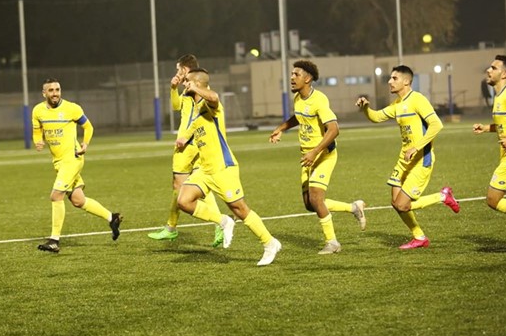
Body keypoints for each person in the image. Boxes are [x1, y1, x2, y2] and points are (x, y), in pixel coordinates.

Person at [175, 68, 281, 266]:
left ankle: (270, 243)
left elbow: (214, 97)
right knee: (183, 200)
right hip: (205, 170)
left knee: (240, 209)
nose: (184, 83)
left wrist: (195, 88)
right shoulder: (197, 111)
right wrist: (182, 139)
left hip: (222, 168)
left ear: (197, 84)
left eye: (187, 80)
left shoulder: (211, 105)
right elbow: (191, 132)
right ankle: (223, 221)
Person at [355, 65, 460, 250]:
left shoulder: (417, 99)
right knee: (396, 203)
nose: (390, 81)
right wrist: (366, 108)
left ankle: (443, 196)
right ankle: (419, 237)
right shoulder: (397, 104)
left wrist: (416, 147)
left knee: (402, 205)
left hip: (421, 160)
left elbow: (437, 125)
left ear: (406, 81)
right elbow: (377, 117)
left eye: (394, 78)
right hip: (404, 160)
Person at [269, 60, 366, 255]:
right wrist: (281, 128)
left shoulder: (319, 100)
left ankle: (332, 243)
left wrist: (314, 152)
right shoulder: (298, 98)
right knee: (309, 204)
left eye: (296, 74)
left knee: (315, 197)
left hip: (323, 155)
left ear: (308, 79)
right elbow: (299, 116)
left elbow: (334, 129)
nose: (291, 77)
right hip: (307, 157)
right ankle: (354, 208)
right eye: (292, 74)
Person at [32, 78, 122, 253]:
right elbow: (37, 131)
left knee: (56, 196)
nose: (55, 93)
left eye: (57, 89)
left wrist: (85, 144)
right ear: (44, 93)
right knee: (78, 200)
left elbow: (88, 127)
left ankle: (54, 240)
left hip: (73, 159)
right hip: (58, 162)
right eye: (51, 90)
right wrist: (38, 141)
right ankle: (112, 218)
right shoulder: (38, 111)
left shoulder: (72, 108)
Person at [148, 54, 224, 246]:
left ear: (185, 69)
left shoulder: (195, 90)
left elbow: (199, 117)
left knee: (180, 186)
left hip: (188, 145)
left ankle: (172, 228)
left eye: (178, 69)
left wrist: (186, 138)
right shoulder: (189, 89)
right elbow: (176, 107)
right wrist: (173, 88)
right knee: (201, 186)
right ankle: (218, 225)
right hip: (195, 144)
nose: (177, 72)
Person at [472, 55, 506, 219]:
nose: (488, 70)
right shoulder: (500, 96)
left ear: (504, 74)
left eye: (494, 68)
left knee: (493, 199)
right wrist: (486, 128)